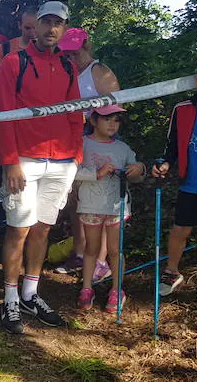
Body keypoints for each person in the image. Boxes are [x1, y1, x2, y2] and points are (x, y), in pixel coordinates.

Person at [0, 1, 83, 334]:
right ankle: (10, 298)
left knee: (44, 228)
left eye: (57, 23)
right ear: (35, 26)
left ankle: (31, 293)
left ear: (64, 29)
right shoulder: (14, 62)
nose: (50, 29)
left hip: (61, 161)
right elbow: (3, 114)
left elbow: (76, 113)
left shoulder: (68, 66)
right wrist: (10, 161)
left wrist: (75, 156)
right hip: (25, 161)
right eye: (45, 21)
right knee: (18, 229)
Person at [55, 27, 122, 278]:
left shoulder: (99, 71)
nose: (71, 58)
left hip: (97, 137)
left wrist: (95, 123)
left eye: (75, 52)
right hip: (72, 137)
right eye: (66, 53)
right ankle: (81, 251)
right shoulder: (64, 70)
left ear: (86, 47)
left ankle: (101, 260)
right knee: (76, 197)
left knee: (100, 197)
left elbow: (115, 106)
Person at [154, 56, 197, 312]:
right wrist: (165, 163)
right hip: (192, 183)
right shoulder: (183, 109)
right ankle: (171, 272)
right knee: (180, 231)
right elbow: (171, 147)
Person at [74, 105, 144, 313]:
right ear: (93, 121)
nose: (113, 124)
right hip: (90, 205)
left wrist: (138, 169)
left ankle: (117, 289)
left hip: (116, 207)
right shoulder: (82, 144)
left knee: (115, 250)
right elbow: (72, 171)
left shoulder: (122, 148)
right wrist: (97, 173)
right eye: (107, 119)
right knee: (91, 249)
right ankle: (87, 288)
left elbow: (138, 173)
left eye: (116, 120)